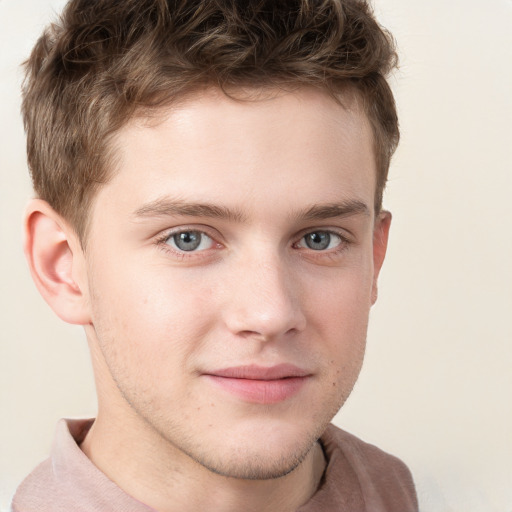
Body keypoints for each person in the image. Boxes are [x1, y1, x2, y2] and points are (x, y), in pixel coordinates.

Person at [11, 0, 418, 510]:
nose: (270, 313)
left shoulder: (391, 490)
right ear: (64, 267)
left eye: (320, 238)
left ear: (374, 258)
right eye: (189, 238)